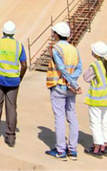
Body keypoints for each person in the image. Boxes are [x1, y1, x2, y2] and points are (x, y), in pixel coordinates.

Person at [44, 22, 82, 161]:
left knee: (59, 117)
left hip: (59, 85)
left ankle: (61, 150)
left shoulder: (56, 48)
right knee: (72, 116)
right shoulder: (74, 49)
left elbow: (61, 68)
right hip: (71, 88)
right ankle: (73, 150)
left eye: (53, 33)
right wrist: (73, 82)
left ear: (57, 34)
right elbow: (79, 68)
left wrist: (71, 82)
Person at [83, 41, 107, 158]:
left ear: (95, 53)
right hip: (106, 98)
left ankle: (96, 148)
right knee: (104, 122)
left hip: (96, 98)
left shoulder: (95, 65)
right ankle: (104, 146)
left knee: (95, 123)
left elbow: (86, 77)